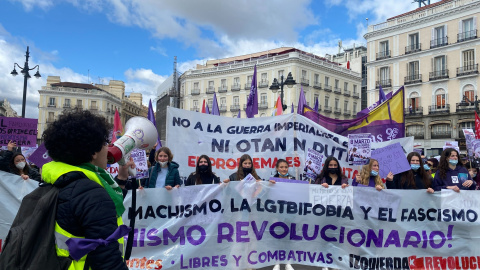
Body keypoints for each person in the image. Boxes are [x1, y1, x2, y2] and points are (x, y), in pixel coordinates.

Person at [41, 110, 133, 269]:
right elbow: (108, 262)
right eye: (105, 143)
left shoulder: (53, 181)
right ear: (93, 152)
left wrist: (122, 179)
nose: (108, 148)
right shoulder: (92, 195)